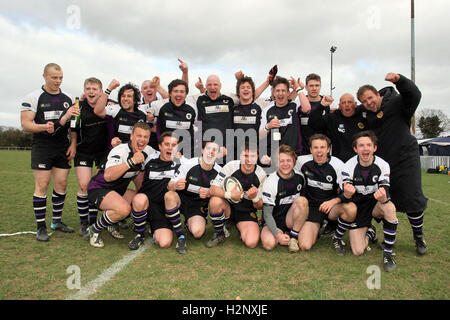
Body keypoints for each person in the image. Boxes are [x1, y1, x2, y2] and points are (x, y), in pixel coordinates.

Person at [357, 73, 428, 255]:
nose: (369, 103)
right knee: (385, 201)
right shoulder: (367, 115)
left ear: (378, 95)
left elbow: (415, 95)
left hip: (405, 160)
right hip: (384, 165)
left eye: (370, 98)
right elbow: (351, 112)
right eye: (364, 101)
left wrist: (400, 80)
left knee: (412, 200)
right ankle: (390, 239)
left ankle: (418, 237)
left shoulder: (397, 102)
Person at [21, 63, 78, 241]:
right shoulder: (33, 97)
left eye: (60, 77)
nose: (58, 81)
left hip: (62, 147)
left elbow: (73, 125)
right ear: (45, 76)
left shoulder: (68, 97)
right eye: (54, 77)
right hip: (43, 147)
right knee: (42, 186)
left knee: (61, 185)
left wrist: (73, 143)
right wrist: (43, 127)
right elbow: (25, 124)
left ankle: (56, 222)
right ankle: (41, 227)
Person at [86, 122, 156, 248]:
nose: (142, 140)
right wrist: (132, 162)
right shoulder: (120, 150)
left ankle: (112, 221)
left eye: (145, 137)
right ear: (131, 136)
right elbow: (108, 176)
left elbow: (162, 158)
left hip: (118, 191)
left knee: (142, 200)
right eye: (139, 136)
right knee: (124, 209)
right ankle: (94, 230)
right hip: (99, 188)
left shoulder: (148, 151)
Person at [337, 131, 398, 272]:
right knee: (358, 251)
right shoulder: (348, 166)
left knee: (389, 207)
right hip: (359, 208)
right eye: (361, 145)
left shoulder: (383, 165)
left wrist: (384, 197)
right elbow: (346, 193)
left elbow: (385, 189)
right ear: (355, 149)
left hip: (375, 205)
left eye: (369, 145)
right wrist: (346, 192)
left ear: (374, 148)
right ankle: (370, 232)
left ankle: (388, 253)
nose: (365, 149)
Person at [129, 131, 188, 253]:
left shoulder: (182, 162)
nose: (170, 148)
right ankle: (140, 234)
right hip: (148, 204)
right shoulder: (149, 159)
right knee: (139, 198)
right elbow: (133, 158)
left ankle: (180, 236)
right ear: (160, 146)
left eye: (174, 145)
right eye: (167, 144)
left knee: (164, 243)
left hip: (166, 207)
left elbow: (200, 164)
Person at [295, 134, 356, 251]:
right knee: (304, 245)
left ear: (328, 149)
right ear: (311, 149)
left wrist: (333, 201)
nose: (319, 151)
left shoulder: (338, 165)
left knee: (350, 208)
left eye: (322, 147)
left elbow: (348, 192)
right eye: (315, 148)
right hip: (313, 208)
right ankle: (316, 228)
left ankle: (337, 236)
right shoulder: (302, 162)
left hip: (331, 208)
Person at [209, 142, 267, 249]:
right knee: (215, 201)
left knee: (251, 243)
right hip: (228, 207)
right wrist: (230, 194)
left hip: (246, 212)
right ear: (240, 156)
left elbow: (260, 206)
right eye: (245, 156)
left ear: (257, 157)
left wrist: (254, 198)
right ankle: (220, 232)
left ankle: (241, 228)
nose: (249, 160)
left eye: (252, 156)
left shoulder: (261, 174)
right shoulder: (231, 166)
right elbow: (212, 189)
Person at [72, 77, 109, 237]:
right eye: (88, 88)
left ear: (100, 92)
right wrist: (73, 144)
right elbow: (73, 128)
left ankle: (94, 221)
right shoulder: (78, 107)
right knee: (83, 185)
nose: (91, 92)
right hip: (84, 151)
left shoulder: (109, 104)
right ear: (84, 91)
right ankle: (84, 223)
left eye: (94, 89)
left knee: (96, 185)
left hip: (103, 152)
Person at [167, 140, 223, 246]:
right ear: (202, 150)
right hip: (181, 199)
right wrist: (176, 185)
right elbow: (169, 185)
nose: (211, 152)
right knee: (169, 195)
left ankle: (189, 223)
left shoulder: (220, 172)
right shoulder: (188, 164)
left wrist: (209, 193)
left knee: (198, 233)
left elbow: (223, 195)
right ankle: (180, 235)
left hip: (197, 205)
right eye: (208, 149)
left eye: (214, 150)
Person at [260, 145, 309, 252]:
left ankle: (293, 236)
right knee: (269, 245)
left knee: (302, 200)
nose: (285, 164)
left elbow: (303, 205)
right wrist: (278, 235)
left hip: (292, 219)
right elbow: (267, 214)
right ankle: (282, 233)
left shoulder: (300, 177)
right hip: (275, 220)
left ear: (294, 162)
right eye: (281, 161)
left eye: (288, 160)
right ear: (276, 162)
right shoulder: (270, 182)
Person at [259, 76, 311, 158]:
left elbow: (307, 108)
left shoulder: (295, 105)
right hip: (275, 157)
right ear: (274, 93)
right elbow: (260, 136)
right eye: (277, 91)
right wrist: (268, 126)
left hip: (294, 155)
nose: (280, 93)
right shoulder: (267, 110)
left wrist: (298, 89)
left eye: (283, 90)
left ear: (288, 93)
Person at [309, 93, 367, 162]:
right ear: (339, 106)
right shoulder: (333, 118)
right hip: (339, 162)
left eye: (350, 102)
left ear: (355, 104)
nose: (347, 105)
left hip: (361, 161)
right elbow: (313, 123)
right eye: (343, 103)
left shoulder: (363, 117)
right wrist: (321, 106)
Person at [147, 79, 197, 157]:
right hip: (167, 153)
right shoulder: (162, 108)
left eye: (182, 91)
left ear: (186, 94)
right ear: (170, 93)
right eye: (175, 91)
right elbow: (156, 130)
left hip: (187, 154)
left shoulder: (191, 110)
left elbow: (198, 129)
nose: (179, 94)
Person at [94, 80, 147, 148]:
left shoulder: (142, 114)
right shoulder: (115, 109)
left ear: (135, 100)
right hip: (116, 150)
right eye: (123, 96)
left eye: (129, 96)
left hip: (136, 151)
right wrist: (109, 89)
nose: (125, 99)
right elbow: (97, 111)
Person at [299, 73, 330, 154]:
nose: (314, 88)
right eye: (311, 86)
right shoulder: (299, 103)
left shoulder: (328, 103)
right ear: (306, 87)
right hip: (303, 151)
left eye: (317, 85)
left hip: (322, 151)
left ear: (320, 86)